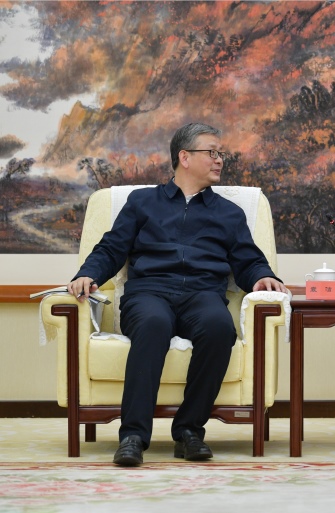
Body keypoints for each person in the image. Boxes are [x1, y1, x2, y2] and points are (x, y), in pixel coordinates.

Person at [67, 122, 288, 467]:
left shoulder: (228, 213)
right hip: (149, 292)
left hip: (203, 294)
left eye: (220, 154)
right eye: (211, 152)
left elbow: (248, 259)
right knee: (153, 325)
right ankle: (133, 436)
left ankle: (188, 430)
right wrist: (88, 274)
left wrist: (263, 277)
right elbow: (111, 248)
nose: (219, 160)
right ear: (184, 157)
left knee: (219, 328)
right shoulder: (142, 203)